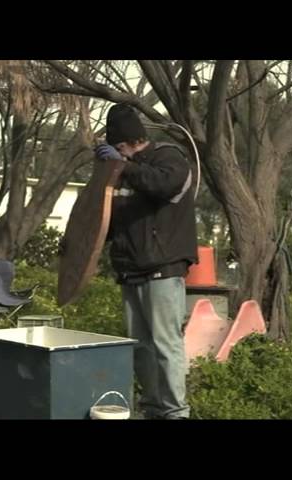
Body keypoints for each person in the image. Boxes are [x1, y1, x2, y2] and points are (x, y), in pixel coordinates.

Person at [94, 103, 198, 419]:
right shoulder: (121, 169)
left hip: (162, 268)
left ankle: (175, 412)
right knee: (139, 347)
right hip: (130, 269)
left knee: (166, 346)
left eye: (118, 149)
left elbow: (164, 185)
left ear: (125, 143)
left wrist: (123, 167)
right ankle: (153, 409)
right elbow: (107, 218)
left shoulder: (169, 158)